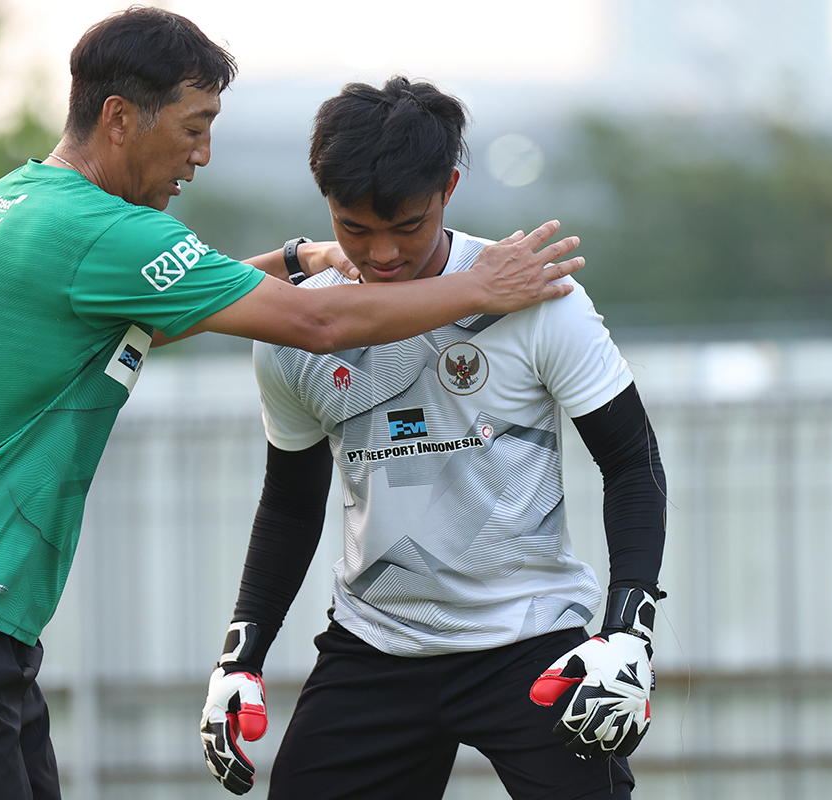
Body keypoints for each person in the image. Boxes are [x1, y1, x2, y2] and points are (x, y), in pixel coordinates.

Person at [0, 8, 587, 800]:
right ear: (120, 119)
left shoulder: (16, 203)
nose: (204, 153)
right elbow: (319, 323)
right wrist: (478, 286)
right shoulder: (106, 233)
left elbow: (144, 309)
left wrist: (294, 257)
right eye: (195, 126)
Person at [200, 77, 667, 800]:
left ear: (447, 188)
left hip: (531, 640)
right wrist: (240, 657)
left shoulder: (537, 298)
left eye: (407, 227)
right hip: (376, 644)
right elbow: (290, 504)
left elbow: (632, 464)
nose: (382, 254)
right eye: (355, 229)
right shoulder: (294, 330)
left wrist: (627, 633)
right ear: (326, 200)